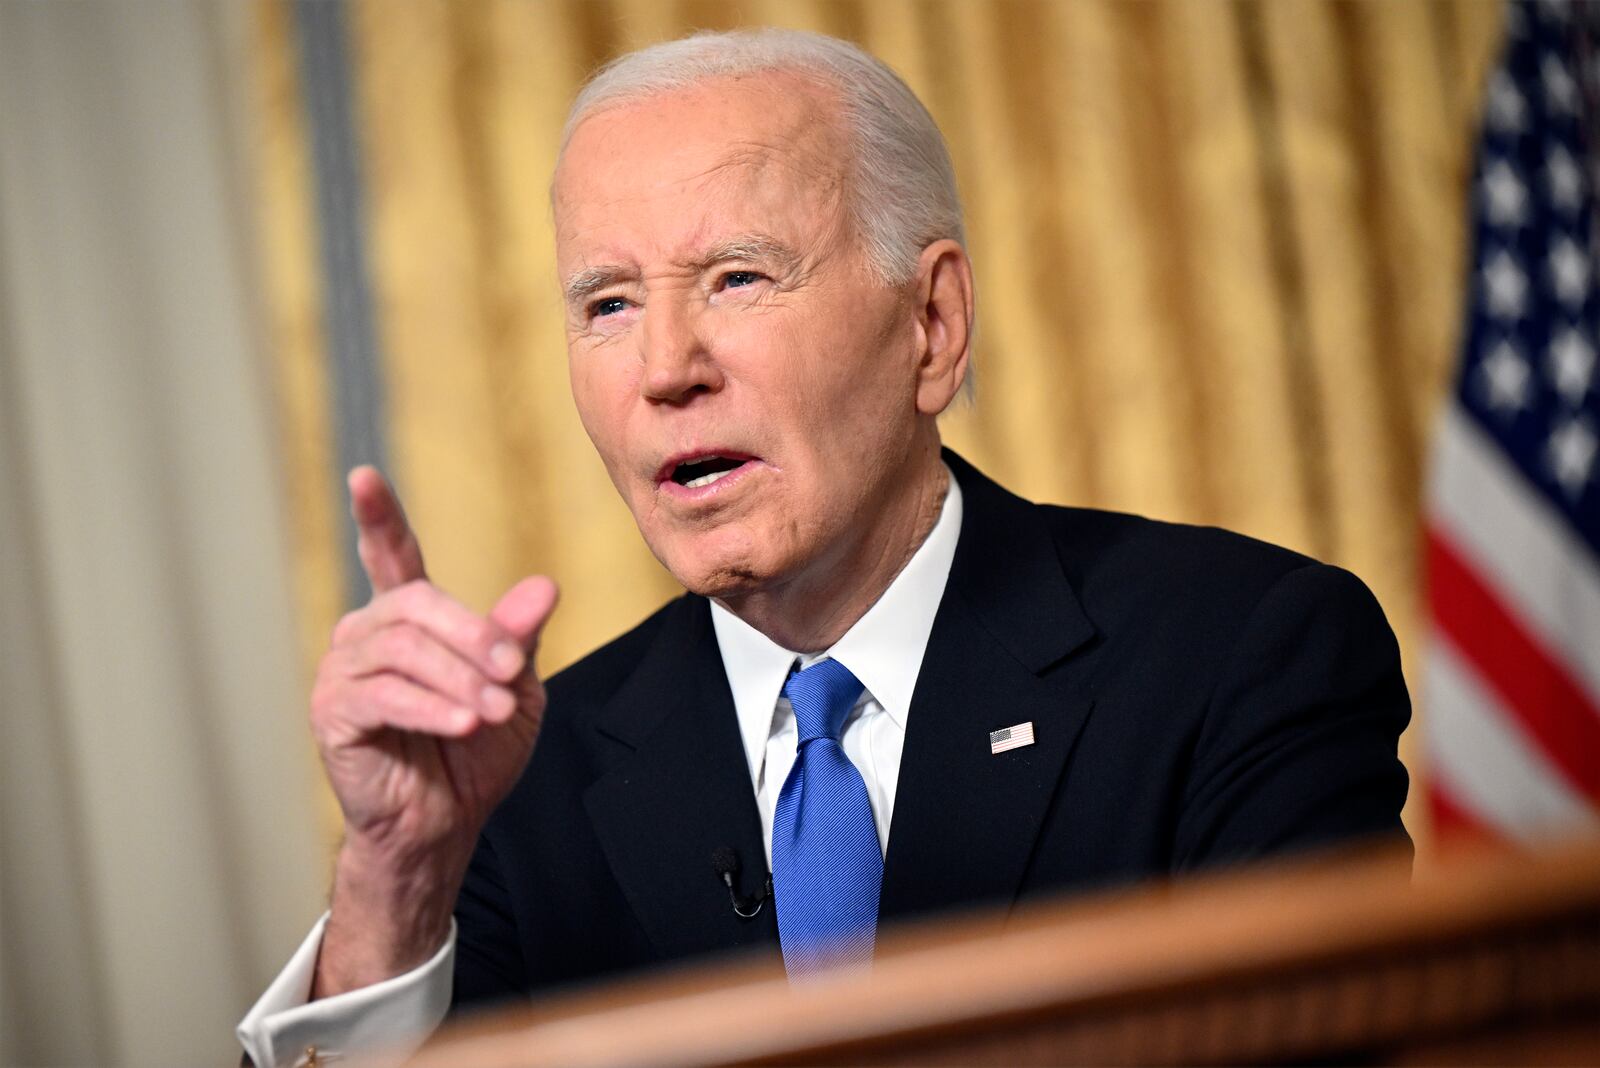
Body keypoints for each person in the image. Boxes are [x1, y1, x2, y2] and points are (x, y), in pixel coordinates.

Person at [238, 27, 1410, 1068]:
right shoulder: (510, 791)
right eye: (607, 304)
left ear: (931, 323)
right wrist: (390, 886)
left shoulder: (1240, 655)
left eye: (738, 278)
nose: (664, 369)